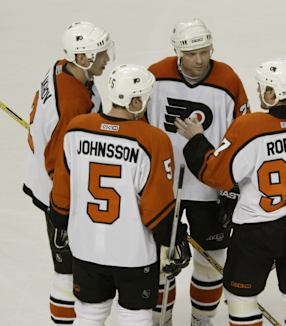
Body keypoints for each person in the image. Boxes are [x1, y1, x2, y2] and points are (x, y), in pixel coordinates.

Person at [175, 58, 286, 326]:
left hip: (256, 231)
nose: (259, 92)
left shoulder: (250, 128)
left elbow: (216, 175)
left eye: (262, 88)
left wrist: (197, 140)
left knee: (241, 299)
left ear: (272, 93)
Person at [48, 64, 191, 326]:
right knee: (135, 318)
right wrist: (176, 239)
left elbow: (61, 192)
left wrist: (59, 221)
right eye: (145, 98)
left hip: (86, 248)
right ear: (135, 100)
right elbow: (156, 207)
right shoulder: (153, 139)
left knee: (89, 315)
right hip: (133, 253)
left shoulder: (77, 129)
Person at [146, 18, 249, 326]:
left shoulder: (228, 79)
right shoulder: (155, 76)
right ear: (178, 51)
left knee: (211, 262)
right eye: (192, 54)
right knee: (163, 263)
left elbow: (243, 135)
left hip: (209, 189)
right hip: (163, 189)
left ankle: (201, 321)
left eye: (205, 52)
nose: (200, 60)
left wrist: (234, 185)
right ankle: (160, 322)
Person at [22, 21, 114, 325]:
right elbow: (58, 166)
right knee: (68, 270)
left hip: (50, 176)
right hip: (58, 195)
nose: (107, 60)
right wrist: (63, 210)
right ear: (84, 59)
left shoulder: (64, 67)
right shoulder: (72, 104)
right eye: (101, 55)